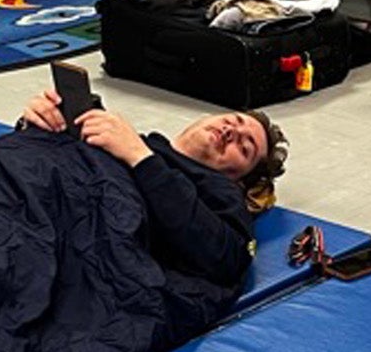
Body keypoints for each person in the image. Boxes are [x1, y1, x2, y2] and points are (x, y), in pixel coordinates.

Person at [19, 91, 286, 287]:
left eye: (244, 147)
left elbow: (224, 256)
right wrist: (38, 126)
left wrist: (141, 159)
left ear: (239, 182)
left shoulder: (219, 196)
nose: (231, 131)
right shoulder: (122, 137)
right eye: (233, 120)